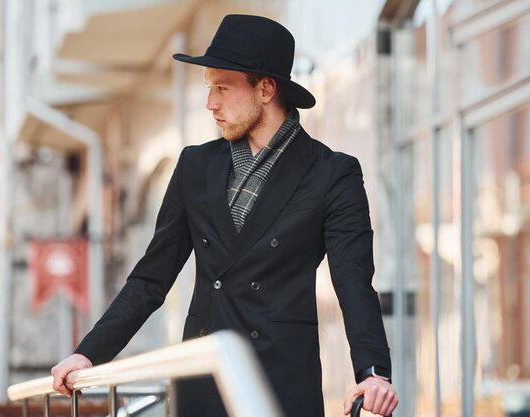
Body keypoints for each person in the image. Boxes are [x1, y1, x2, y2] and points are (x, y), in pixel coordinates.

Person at [51, 14, 398, 417]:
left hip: (279, 382)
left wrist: (373, 372)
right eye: (208, 88)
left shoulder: (331, 173)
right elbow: (151, 278)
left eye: (221, 87)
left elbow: (353, 280)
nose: (209, 103)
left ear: (265, 89)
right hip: (202, 377)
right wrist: (89, 353)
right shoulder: (195, 166)